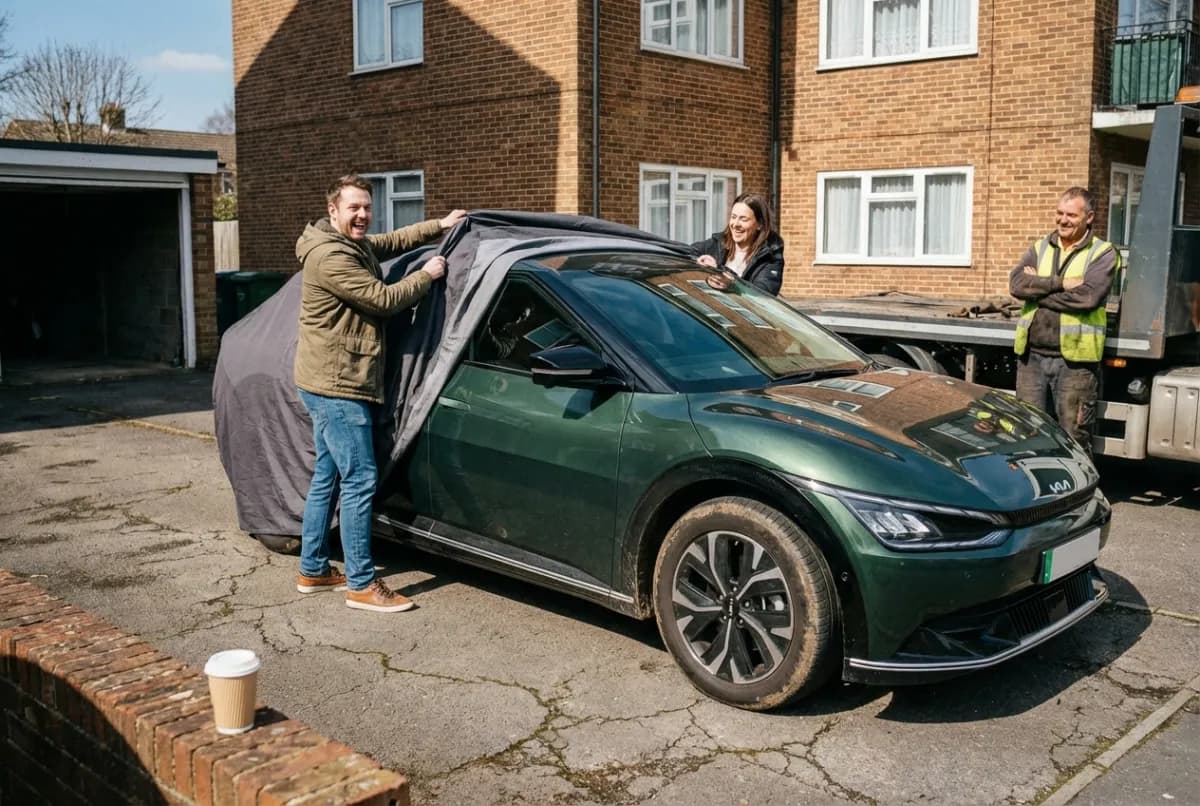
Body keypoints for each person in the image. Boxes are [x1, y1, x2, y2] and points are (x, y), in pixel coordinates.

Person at [293, 173, 465, 613]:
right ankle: (362, 585)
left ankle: (313, 569)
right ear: (332, 210)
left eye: (367, 207)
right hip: (338, 384)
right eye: (353, 208)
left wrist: (438, 225)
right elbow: (383, 300)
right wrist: (427, 275)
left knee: (328, 475)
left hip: (328, 379)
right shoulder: (330, 257)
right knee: (360, 479)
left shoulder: (353, 243)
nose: (363, 215)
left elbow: (390, 242)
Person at [1010, 187, 1120, 458]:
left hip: (1075, 364)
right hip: (1031, 359)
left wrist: (1037, 294)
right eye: (1059, 213)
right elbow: (1016, 284)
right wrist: (1061, 283)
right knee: (1027, 433)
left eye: (1071, 214)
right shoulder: (1040, 247)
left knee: (1074, 437)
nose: (1063, 220)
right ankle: (1035, 498)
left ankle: (1078, 498)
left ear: (1089, 217)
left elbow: (1087, 298)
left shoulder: (1103, 253)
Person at [691, 192, 786, 295]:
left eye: (743, 219)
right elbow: (685, 252)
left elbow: (762, 293)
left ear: (760, 225)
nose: (735, 224)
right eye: (733, 217)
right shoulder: (717, 244)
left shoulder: (771, 256)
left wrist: (731, 282)